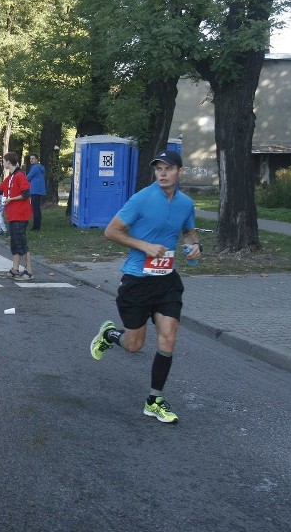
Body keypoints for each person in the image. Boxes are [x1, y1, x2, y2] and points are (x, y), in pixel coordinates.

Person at [90, 150, 200, 424]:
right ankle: (111, 335)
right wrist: (144, 245)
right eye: (158, 168)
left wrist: (194, 246)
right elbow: (111, 231)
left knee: (168, 338)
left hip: (166, 282)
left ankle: (154, 399)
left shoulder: (186, 203)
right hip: (137, 281)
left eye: (168, 168)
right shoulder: (141, 198)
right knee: (134, 345)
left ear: (179, 171)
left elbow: (189, 230)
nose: (162, 173)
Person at [0, 153, 34, 281]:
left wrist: (11, 199)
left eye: (4, 161)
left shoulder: (19, 175)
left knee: (21, 243)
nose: (3, 163)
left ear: (8, 162)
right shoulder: (10, 177)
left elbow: (26, 193)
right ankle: (15, 269)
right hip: (13, 215)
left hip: (20, 215)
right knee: (15, 243)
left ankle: (29, 271)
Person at [26, 154, 46, 232]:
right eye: (31, 159)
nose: (31, 160)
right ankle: (37, 225)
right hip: (39, 190)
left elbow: (28, 178)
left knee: (35, 209)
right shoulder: (40, 167)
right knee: (37, 208)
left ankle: (36, 227)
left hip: (34, 190)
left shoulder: (35, 167)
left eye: (33, 158)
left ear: (37, 159)